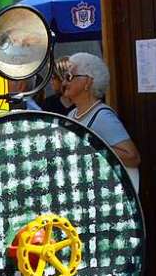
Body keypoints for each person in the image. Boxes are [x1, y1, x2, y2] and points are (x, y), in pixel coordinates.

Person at [60, 53, 141, 190]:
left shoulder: (103, 116)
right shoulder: (71, 115)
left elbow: (133, 158)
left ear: (88, 82)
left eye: (69, 77)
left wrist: (90, 145)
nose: (64, 83)